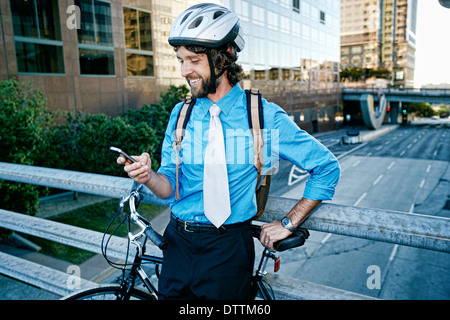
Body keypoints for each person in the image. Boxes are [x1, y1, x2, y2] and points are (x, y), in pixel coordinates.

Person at [117, 3, 340, 300]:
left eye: (194, 60)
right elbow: (169, 186)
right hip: (177, 243)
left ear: (224, 58)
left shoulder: (264, 117)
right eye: (181, 60)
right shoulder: (180, 113)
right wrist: (148, 176)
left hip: (228, 250)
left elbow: (326, 167)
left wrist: (289, 222)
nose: (185, 71)